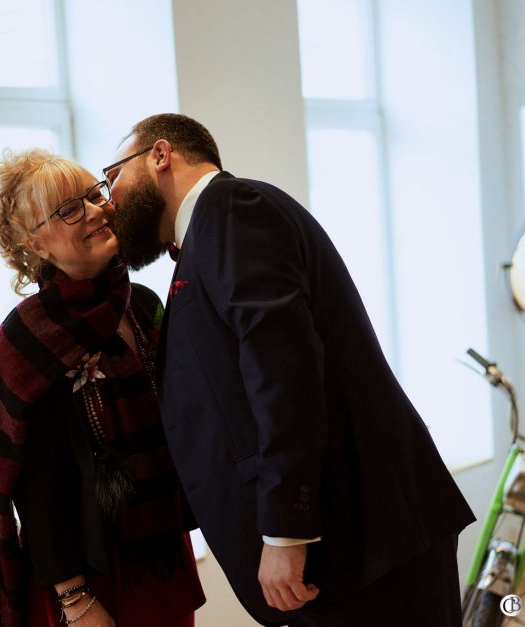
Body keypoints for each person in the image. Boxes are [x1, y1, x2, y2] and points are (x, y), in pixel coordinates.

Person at [103, 113, 475, 627]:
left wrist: (285, 531)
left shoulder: (233, 209)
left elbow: (283, 368)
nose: (108, 198)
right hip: (349, 541)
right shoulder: (207, 234)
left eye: (112, 176)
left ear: (160, 155)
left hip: (360, 534)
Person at [0, 149, 205, 627]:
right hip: (88, 574)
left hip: (160, 548)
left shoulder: (140, 304)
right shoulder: (26, 337)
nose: (98, 211)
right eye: (68, 209)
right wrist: (74, 597)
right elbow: (32, 485)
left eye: (93, 195)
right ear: (36, 245)